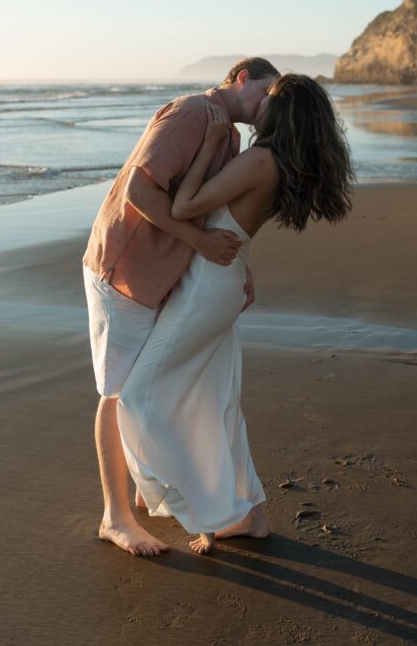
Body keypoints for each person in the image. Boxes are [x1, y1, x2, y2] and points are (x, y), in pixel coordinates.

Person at [117, 73, 355, 554]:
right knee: (215, 401)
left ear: (282, 112)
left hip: (207, 289)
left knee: (138, 397)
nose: (260, 105)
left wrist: (207, 144)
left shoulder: (261, 160)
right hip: (222, 282)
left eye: (269, 99)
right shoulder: (277, 162)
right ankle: (248, 513)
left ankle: (204, 511)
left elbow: (184, 206)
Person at [81, 57, 280, 557]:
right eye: (265, 93)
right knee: (118, 391)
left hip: (164, 272)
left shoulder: (229, 136)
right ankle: (116, 517)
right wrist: (199, 240)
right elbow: (138, 190)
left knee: (148, 386)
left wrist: (237, 264)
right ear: (242, 78)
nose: (267, 106)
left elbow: (219, 216)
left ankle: (183, 498)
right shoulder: (192, 113)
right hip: (125, 270)